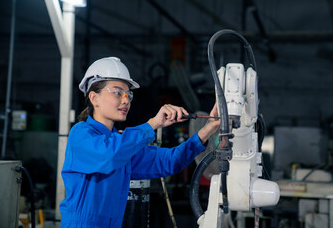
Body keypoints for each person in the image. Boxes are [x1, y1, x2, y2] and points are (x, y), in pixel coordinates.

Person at [59, 57, 220, 227]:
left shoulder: (123, 145)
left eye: (128, 94)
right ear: (94, 97)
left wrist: (207, 129)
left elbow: (169, 161)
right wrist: (153, 124)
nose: (126, 100)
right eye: (117, 92)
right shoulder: (81, 134)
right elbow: (109, 155)